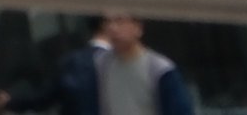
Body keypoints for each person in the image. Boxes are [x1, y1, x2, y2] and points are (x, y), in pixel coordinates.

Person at [49, 15, 194, 115]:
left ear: (138, 28)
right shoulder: (100, 65)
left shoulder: (159, 69)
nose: (112, 28)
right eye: (107, 22)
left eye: (119, 21)